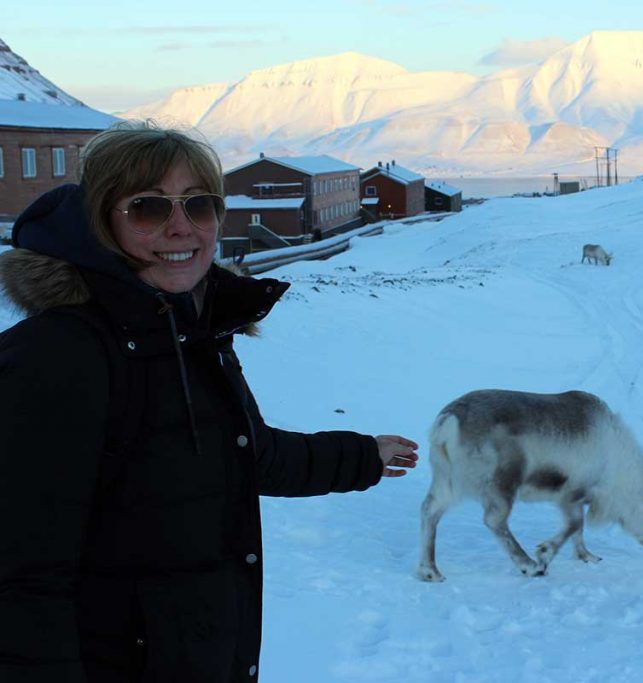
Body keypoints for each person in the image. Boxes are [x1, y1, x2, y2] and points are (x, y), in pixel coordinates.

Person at [0, 120, 419, 682]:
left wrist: (361, 454)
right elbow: (22, 576)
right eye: (148, 208)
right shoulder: (56, 357)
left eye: (200, 206)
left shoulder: (189, 331)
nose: (182, 228)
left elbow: (242, 451)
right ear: (102, 221)